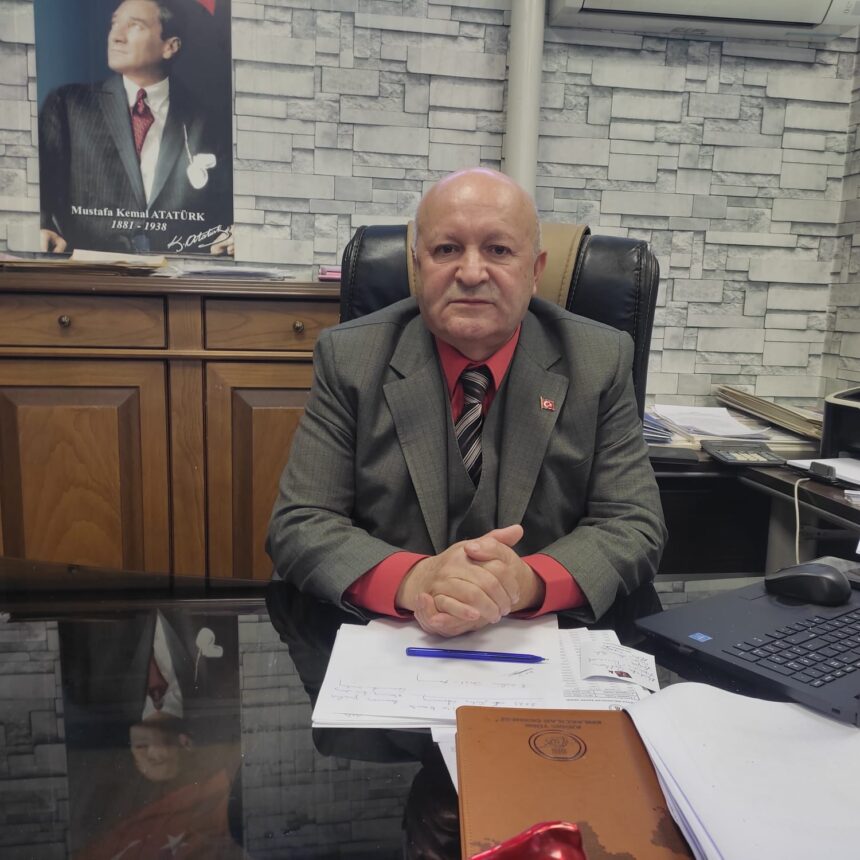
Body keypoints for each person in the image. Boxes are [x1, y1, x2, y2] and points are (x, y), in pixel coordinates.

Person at [266, 167, 666, 637]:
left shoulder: (600, 361)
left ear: (535, 271)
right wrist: (416, 579)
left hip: (541, 644)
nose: (472, 273)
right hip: (391, 642)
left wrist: (527, 582)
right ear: (417, 268)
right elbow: (300, 523)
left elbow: (633, 524)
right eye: (446, 249)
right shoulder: (350, 358)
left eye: (498, 250)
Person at [38, 0, 232, 255]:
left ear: (170, 46)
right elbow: (37, 187)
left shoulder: (207, 122)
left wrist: (236, 233)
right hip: (86, 272)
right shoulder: (67, 105)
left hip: (179, 273)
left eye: (135, 26)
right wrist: (41, 226)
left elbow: (227, 209)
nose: (116, 36)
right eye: (114, 24)